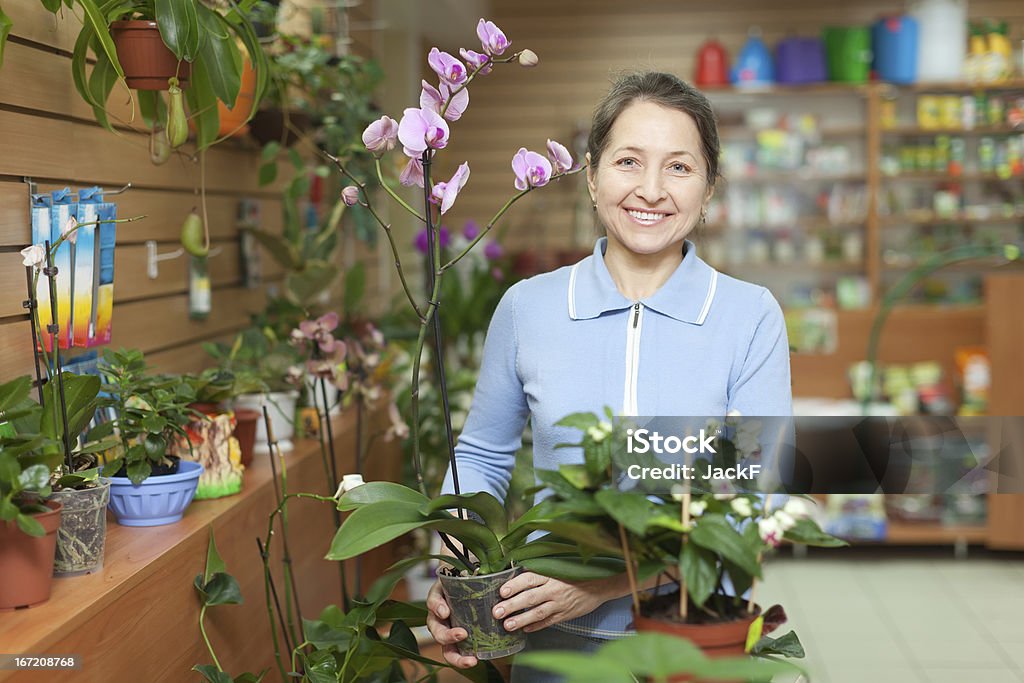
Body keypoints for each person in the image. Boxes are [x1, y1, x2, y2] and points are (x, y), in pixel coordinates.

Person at [425, 71, 793, 681]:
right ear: (592, 177)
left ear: (709, 190)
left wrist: (603, 584)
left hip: (695, 638)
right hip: (550, 639)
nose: (651, 190)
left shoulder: (749, 316)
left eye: (679, 167)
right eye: (628, 161)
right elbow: (482, 458)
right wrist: (459, 578)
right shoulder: (528, 307)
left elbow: (752, 494)